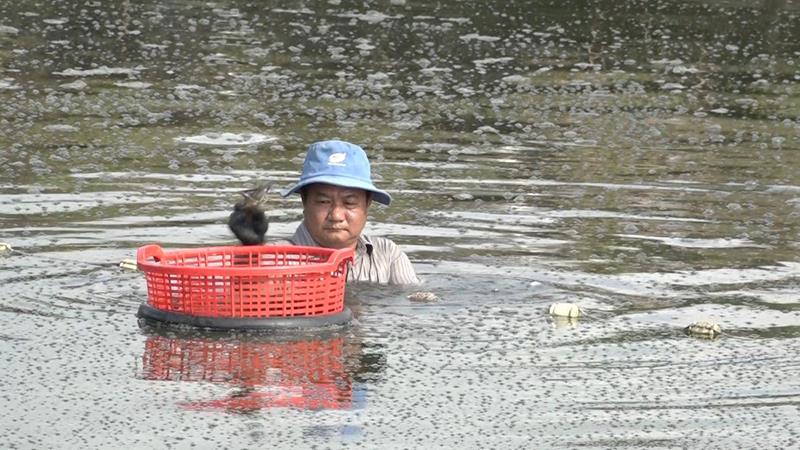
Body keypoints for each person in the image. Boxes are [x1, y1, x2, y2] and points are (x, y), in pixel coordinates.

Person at [229, 140, 419, 285]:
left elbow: (416, 303)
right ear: (304, 201)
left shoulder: (386, 254)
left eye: (349, 202)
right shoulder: (273, 258)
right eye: (323, 202)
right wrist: (249, 249)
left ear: (367, 204)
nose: (336, 215)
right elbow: (242, 297)